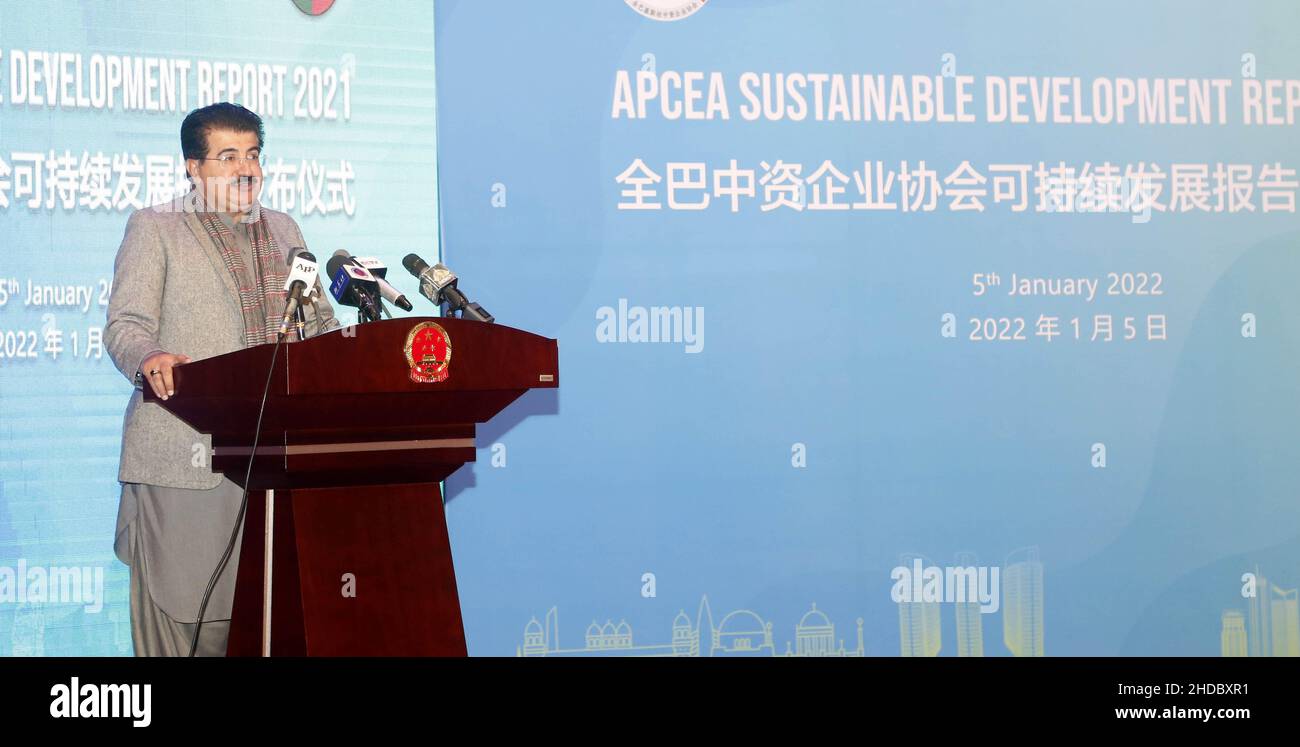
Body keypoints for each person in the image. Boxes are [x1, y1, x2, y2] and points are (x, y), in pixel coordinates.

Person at [104, 102, 339, 656]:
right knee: (186, 625)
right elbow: (125, 326)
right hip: (185, 455)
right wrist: (150, 356)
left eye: (254, 155)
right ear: (193, 167)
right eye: (228, 156)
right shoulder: (155, 227)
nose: (247, 169)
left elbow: (320, 323)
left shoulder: (284, 230)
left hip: (273, 459)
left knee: (266, 622)